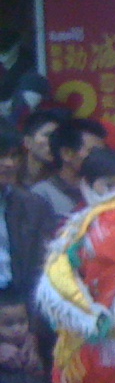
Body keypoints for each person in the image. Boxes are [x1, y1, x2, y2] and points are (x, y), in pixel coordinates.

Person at [0, 129, 50, 304]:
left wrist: (29, 307)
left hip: (19, 301)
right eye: (1, 156)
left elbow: (42, 265)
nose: (9, 164)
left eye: (14, 156)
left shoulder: (33, 205)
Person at [31, 119, 93, 225]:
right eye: (91, 151)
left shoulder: (101, 189)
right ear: (67, 154)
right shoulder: (41, 194)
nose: (99, 157)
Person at [19, 108, 66, 187]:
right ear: (28, 141)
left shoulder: (58, 184)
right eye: (47, 135)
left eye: (58, 138)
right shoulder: (8, 169)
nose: (53, 142)